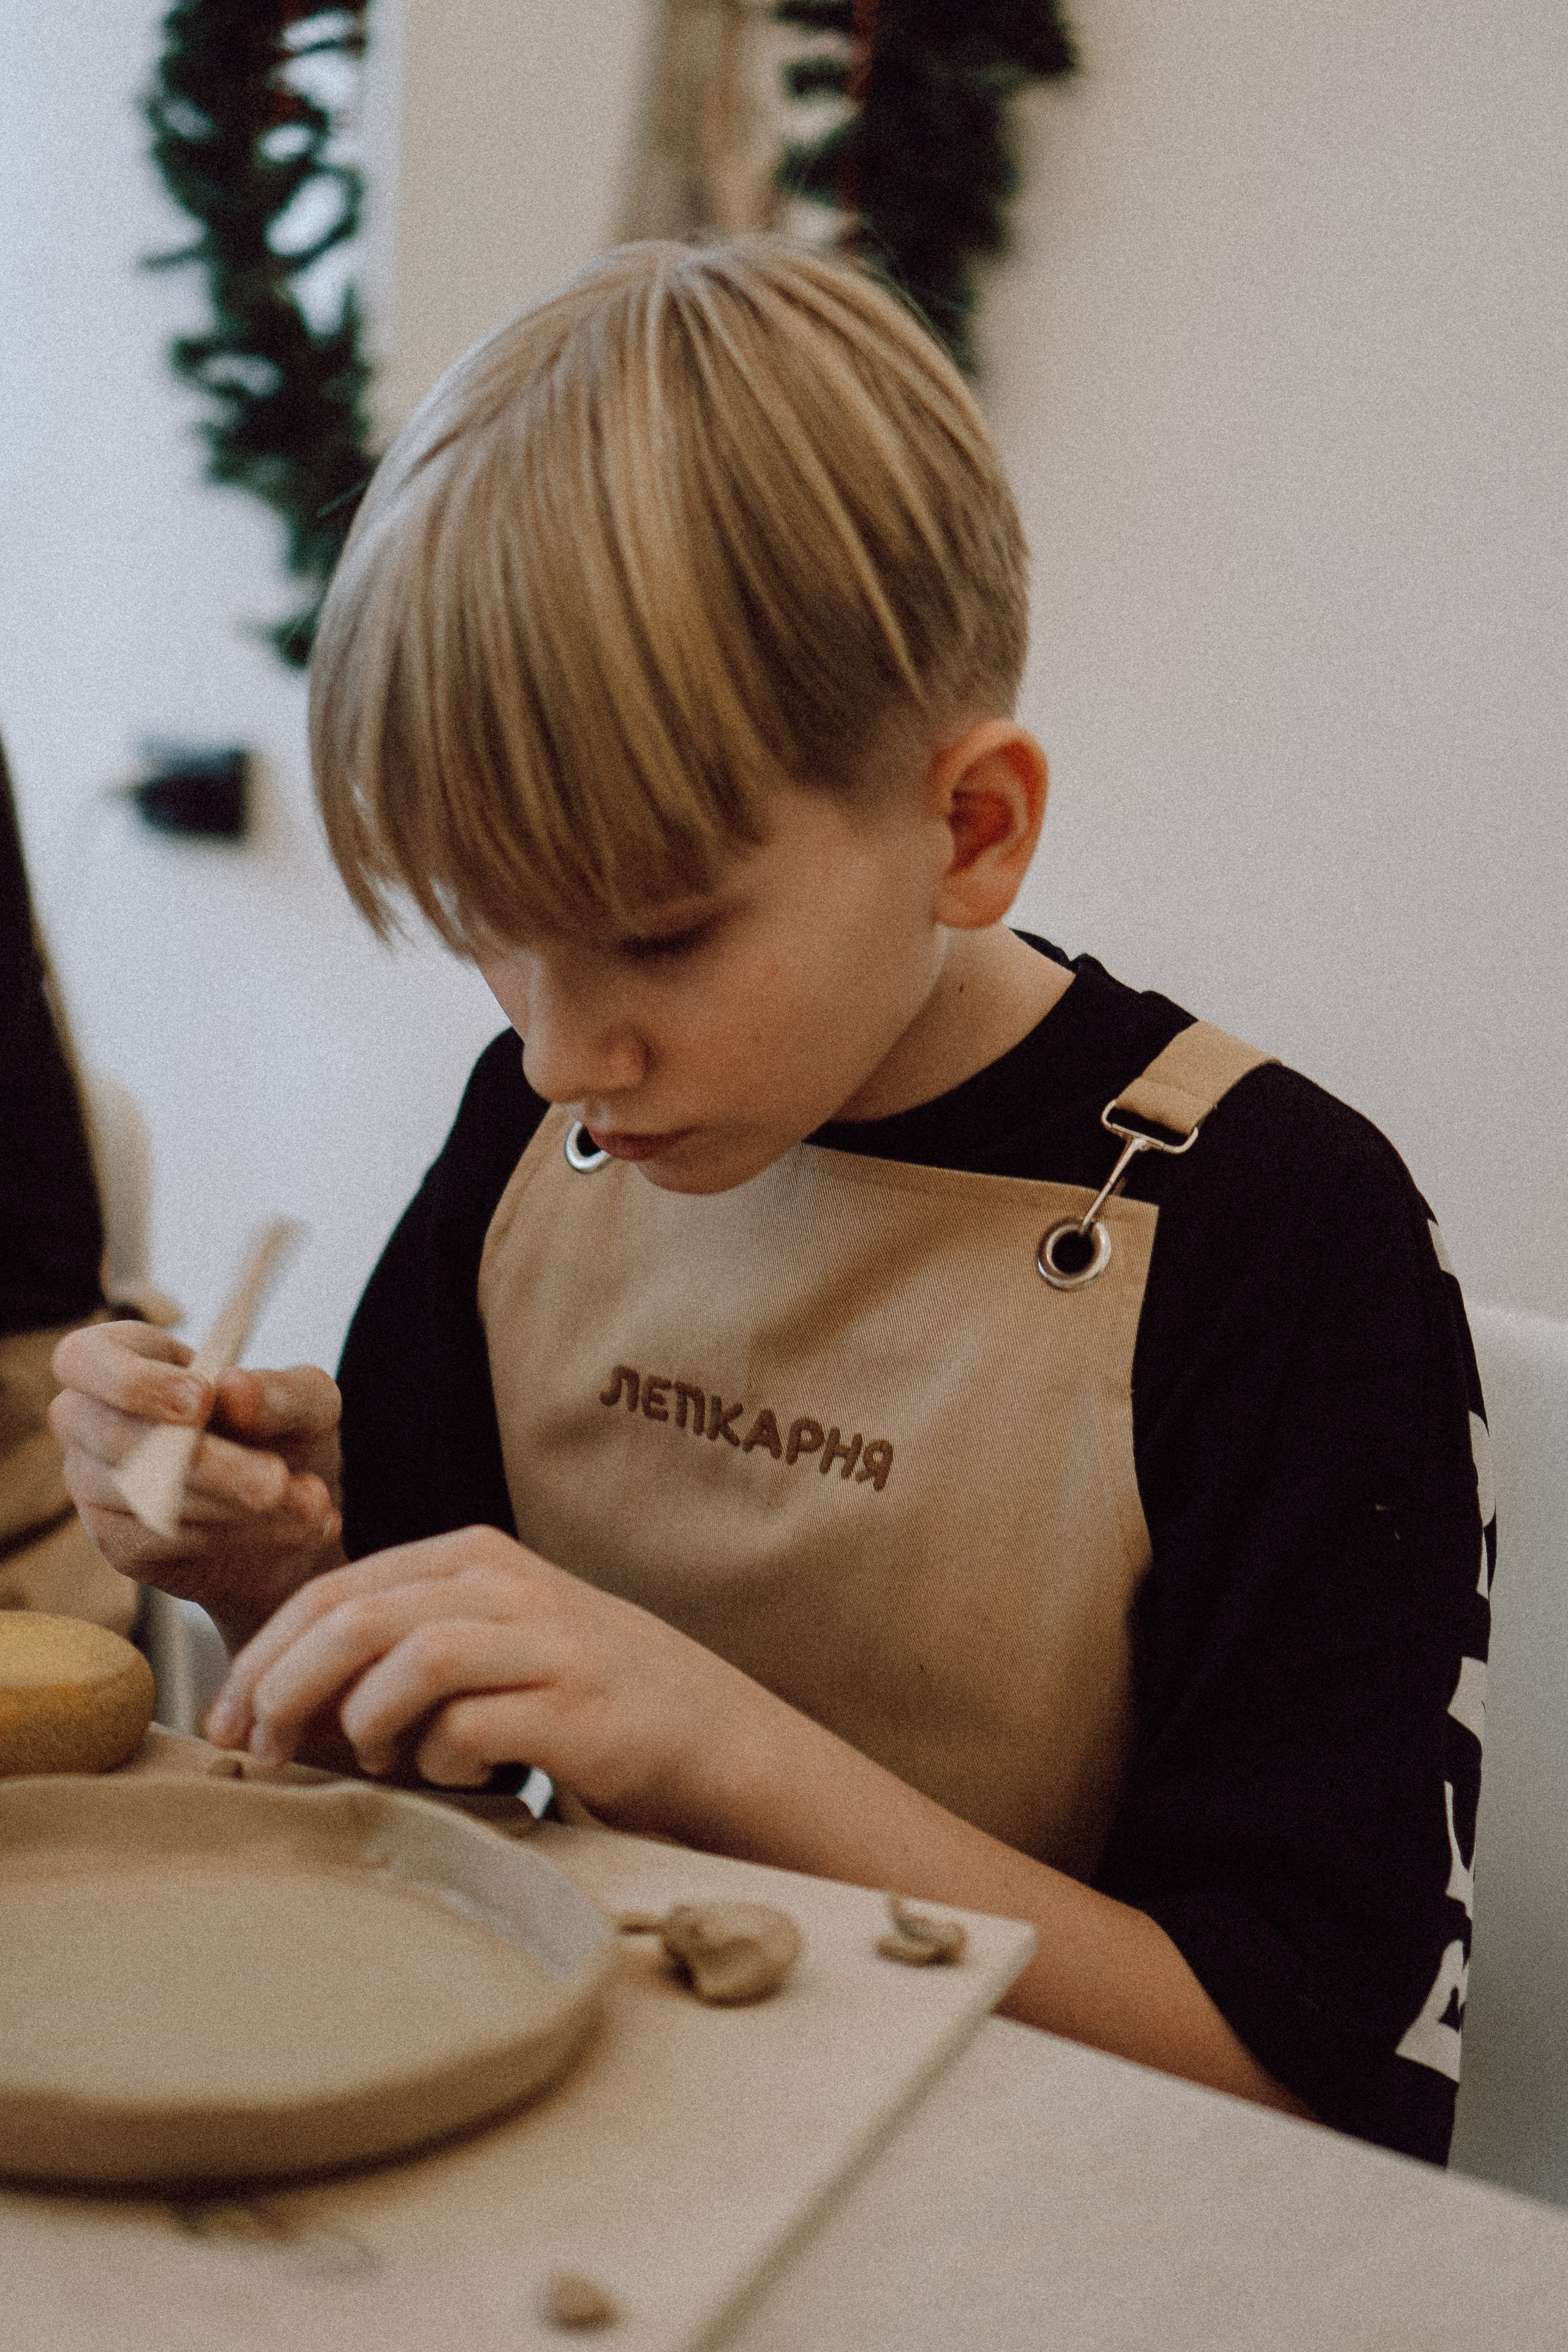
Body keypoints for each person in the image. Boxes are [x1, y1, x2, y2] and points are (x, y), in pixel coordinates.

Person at [50, 238, 1490, 2163]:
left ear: (965, 828)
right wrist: (267, 1575)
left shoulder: (1278, 1234)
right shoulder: (539, 1127)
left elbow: (1315, 2089)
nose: (566, 1054)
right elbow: (416, 1803)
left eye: (657, 936)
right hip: (598, 2141)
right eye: (493, 941)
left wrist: (705, 1741)